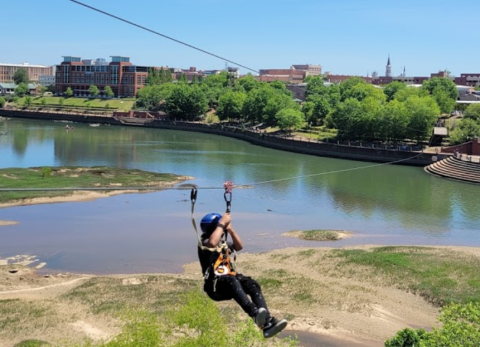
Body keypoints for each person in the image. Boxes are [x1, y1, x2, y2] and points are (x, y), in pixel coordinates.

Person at [197, 212, 287, 338]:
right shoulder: (205, 243)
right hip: (215, 287)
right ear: (215, 228)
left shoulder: (222, 243)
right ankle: (254, 313)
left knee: (252, 284)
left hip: (229, 283)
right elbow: (212, 243)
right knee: (231, 280)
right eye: (220, 227)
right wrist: (222, 223)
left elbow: (239, 246)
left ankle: (267, 323)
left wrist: (230, 229)